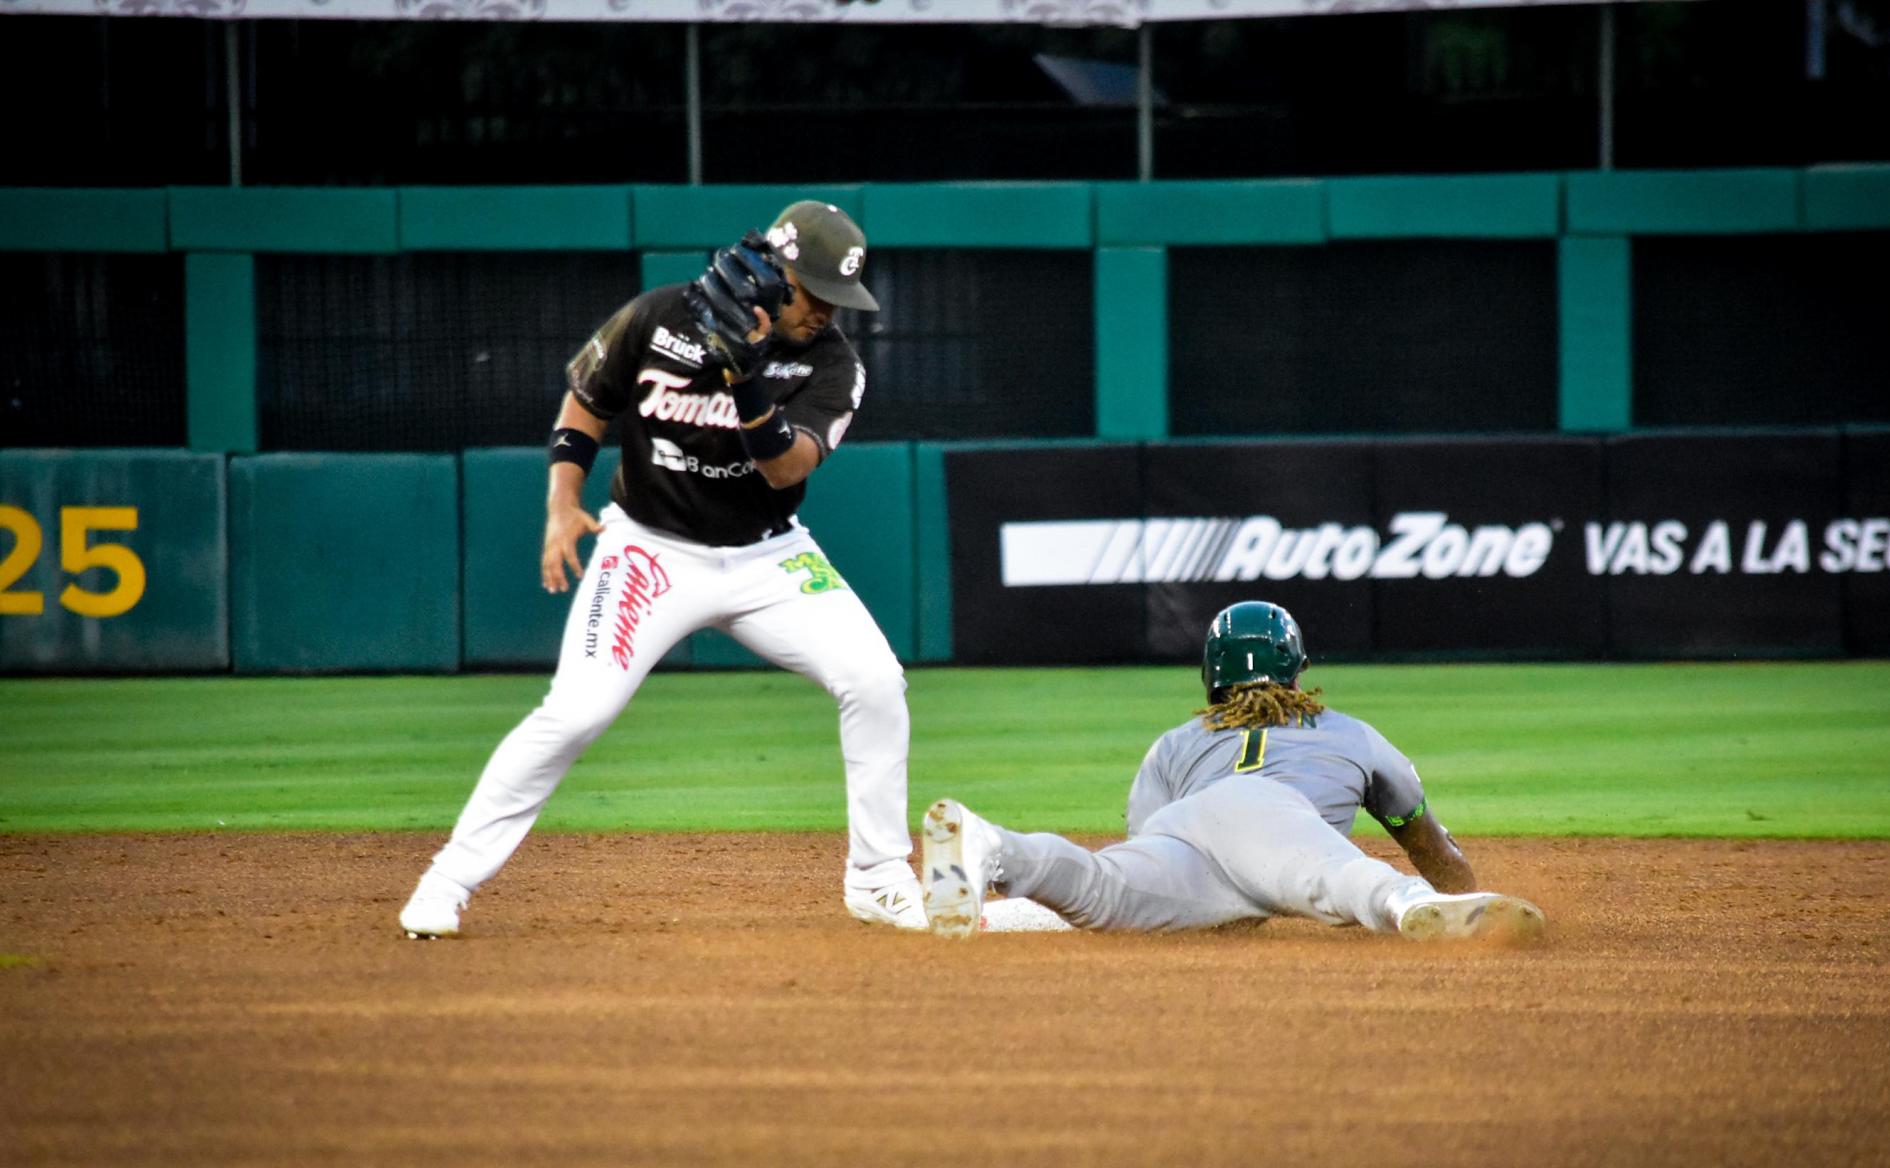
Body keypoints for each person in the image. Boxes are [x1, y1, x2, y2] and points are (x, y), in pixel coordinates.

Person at [400, 201, 927, 937]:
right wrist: (562, 500)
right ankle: (447, 879)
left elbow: (787, 468)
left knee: (875, 680)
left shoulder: (834, 362)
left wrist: (745, 380)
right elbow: (587, 402)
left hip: (769, 556)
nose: (828, 313)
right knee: (577, 711)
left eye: (842, 298)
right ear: (776, 274)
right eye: (816, 293)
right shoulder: (657, 317)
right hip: (649, 548)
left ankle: (876, 874)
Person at [919, 600, 1546, 942]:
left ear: (1209, 679)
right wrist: (1453, 887)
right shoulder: (1351, 733)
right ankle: (1411, 906)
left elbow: (1149, 837)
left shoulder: (1175, 741)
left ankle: (995, 850)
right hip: (1268, 815)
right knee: (1332, 878)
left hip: (1193, 838)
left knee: (1101, 889)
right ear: (1299, 668)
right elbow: (1427, 841)